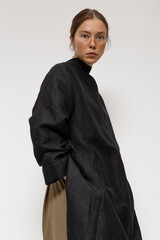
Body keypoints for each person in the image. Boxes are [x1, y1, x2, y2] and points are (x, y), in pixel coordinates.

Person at [28, 8, 143, 240]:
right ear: (71, 39)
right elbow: (44, 124)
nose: (92, 44)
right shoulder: (61, 74)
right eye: (85, 35)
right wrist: (66, 176)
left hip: (105, 191)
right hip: (76, 192)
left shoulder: (90, 87)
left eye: (100, 37)